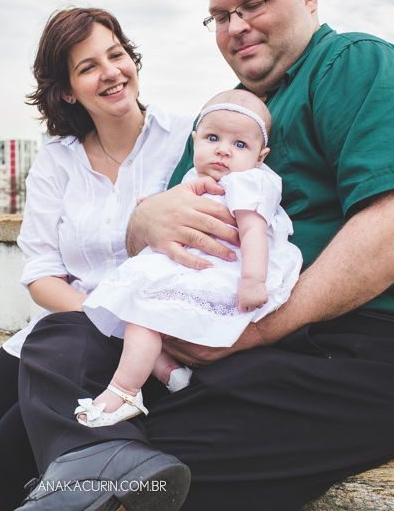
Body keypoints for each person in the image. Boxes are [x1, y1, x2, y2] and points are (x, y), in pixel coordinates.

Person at [13, 0, 394, 511]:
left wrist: (252, 331)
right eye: (221, 15)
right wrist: (144, 222)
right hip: (224, 344)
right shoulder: (230, 116)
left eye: (254, 3)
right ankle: (99, 465)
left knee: (103, 482)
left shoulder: (358, 64)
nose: (237, 25)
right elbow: (153, 225)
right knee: (52, 352)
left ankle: (105, 477)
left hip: (347, 352)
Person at [0, 6, 194, 510]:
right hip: (67, 330)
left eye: (116, 55)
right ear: (68, 90)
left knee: (11, 451)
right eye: (88, 66)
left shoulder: (187, 138)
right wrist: (98, 318)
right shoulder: (57, 159)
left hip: (148, 340)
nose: (111, 72)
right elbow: (41, 273)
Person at [76, 89, 303, 427]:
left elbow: (254, 231)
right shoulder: (198, 177)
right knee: (135, 314)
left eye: (240, 145)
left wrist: (253, 281)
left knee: (143, 314)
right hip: (191, 264)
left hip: (226, 270)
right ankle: (171, 374)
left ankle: (125, 390)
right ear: (195, 140)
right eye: (213, 137)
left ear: (260, 156)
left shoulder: (249, 182)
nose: (224, 150)